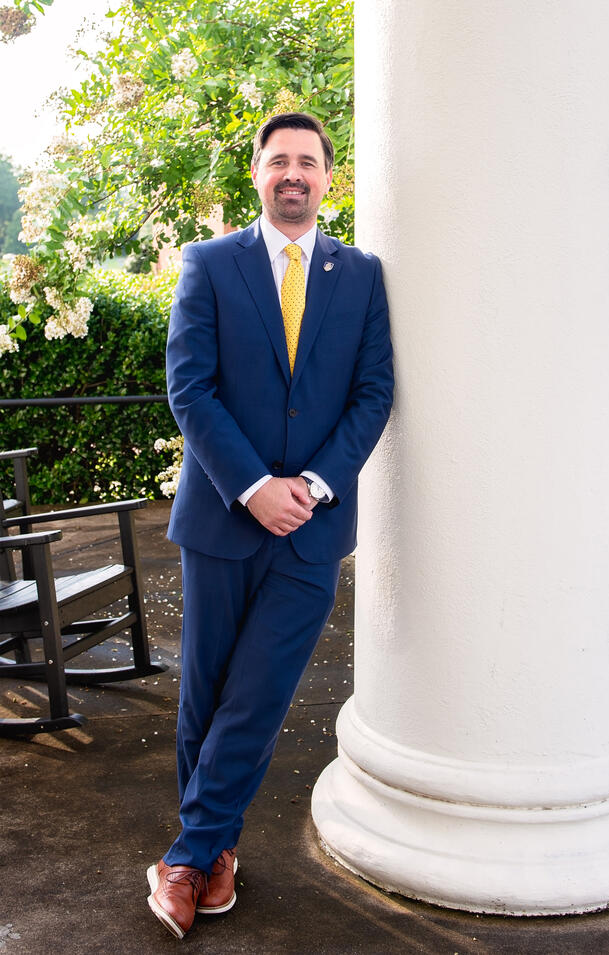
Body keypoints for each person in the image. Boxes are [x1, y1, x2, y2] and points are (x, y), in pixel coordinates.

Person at [146, 112, 394, 939]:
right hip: (222, 518)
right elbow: (190, 387)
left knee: (256, 696)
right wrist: (253, 486)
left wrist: (314, 485)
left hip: (311, 532)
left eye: (309, 162)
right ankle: (216, 851)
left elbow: (372, 394)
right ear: (256, 172)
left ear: (329, 178)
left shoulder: (361, 275)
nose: (294, 173)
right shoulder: (209, 264)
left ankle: (184, 857)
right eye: (279, 160)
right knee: (206, 695)